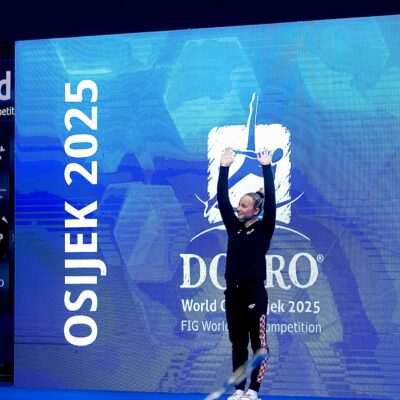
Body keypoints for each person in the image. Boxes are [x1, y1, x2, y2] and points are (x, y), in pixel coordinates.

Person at [217, 147, 276, 400]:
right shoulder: (234, 228)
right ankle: (239, 391)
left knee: (258, 346)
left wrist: (266, 167)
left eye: (244, 205)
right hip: (233, 294)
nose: (238, 208)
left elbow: (271, 203)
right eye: (239, 204)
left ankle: (253, 391)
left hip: (255, 294)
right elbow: (222, 200)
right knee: (238, 344)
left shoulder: (264, 228)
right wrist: (224, 167)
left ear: (256, 209)